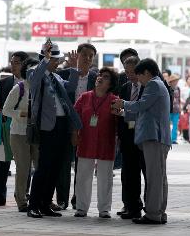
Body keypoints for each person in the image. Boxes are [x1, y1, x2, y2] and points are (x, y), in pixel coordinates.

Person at [112, 58, 171, 225]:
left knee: (154, 177)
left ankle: (153, 213)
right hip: (157, 137)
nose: (138, 80)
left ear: (146, 72)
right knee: (158, 177)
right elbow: (143, 111)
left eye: (139, 75)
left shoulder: (153, 84)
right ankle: (159, 211)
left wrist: (123, 103)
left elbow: (141, 105)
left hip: (154, 137)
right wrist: (123, 112)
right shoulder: (158, 84)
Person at [26, 42, 81, 218]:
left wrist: (74, 69)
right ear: (45, 58)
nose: (57, 62)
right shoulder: (34, 73)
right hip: (46, 126)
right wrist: (45, 58)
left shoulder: (56, 78)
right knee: (44, 167)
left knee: (56, 167)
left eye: (57, 59)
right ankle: (33, 205)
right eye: (54, 59)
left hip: (62, 124)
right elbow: (35, 78)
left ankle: (45, 204)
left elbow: (71, 88)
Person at [71, 67, 118, 218]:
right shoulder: (84, 97)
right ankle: (81, 208)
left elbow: (118, 122)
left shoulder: (114, 100)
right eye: (99, 75)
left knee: (105, 176)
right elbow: (74, 117)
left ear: (110, 84)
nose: (100, 78)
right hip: (86, 140)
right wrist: (74, 134)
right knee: (83, 175)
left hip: (106, 142)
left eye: (105, 77)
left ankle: (104, 209)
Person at [57, 43, 97, 210]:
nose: (87, 58)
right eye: (84, 54)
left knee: (83, 164)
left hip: (87, 126)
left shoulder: (96, 78)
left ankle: (78, 198)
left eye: (90, 56)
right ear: (77, 55)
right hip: (65, 123)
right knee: (63, 163)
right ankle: (62, 200)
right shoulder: (63, 75)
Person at [0, 51, 29, 207]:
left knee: (24, 164)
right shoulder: (5, 82)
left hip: (23, 128)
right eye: (12, 62)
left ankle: (24, 194)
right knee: (2, 163)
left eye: (16, 62)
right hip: (5, 127)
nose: (13, 65)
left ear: (25, 64)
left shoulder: (30, 83)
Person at [2, 58, 40, 212]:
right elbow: (6, 110)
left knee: (40, 167)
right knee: (23, 168)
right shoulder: (20, 88)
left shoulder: (42, 87)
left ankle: (41, 198)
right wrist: (24, 114)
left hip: (38, 133)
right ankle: (21, 199)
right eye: (31, 70)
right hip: (19, 133)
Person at [117, 56, 147, 219]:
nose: (129, 75)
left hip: (143, 135)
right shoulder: (125, 87)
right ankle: (131, 206)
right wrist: (119, 135)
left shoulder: (148, 87)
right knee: (128, 173)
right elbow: (119, 112)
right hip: (127, 135)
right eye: (126, 72)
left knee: (146, 172)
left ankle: (151, 207)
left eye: (132, 72)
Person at [168, 74, 181, 144]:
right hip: (169, 109)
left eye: (177, 81)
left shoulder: (178, 88)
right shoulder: (168, 88)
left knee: (175, 125)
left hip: (176, 109)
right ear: (171, 81)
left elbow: (179, 99)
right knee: (167, 125)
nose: (176, 82)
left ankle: (173, 139)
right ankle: (168, 138)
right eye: (175, 81)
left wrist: (180, 108)